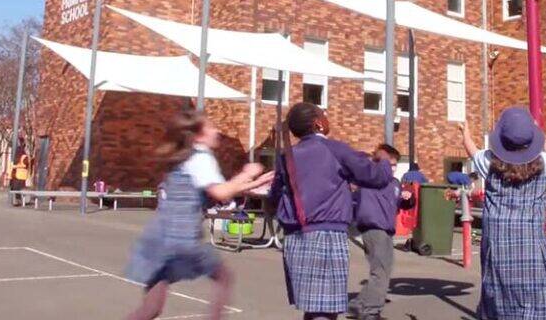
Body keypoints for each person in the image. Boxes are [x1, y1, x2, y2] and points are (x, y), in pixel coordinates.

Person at [124, 109, 274, 320]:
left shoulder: (183, 158)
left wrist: (253, 183)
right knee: (224, 278)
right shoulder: (202, 158)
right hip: (182, 238)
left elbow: (215, 191)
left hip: (159, 238)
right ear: (198, 136)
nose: (216, 131)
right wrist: (247, 173)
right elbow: (221, 192)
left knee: (152, 307)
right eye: (210, 127)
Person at [270, 103, 392, 320]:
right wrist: (384, 161)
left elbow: (274, 195)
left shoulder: (287, 155)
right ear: (318, 123)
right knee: (325, 309)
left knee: (313, 306)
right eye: (324, 115)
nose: (328, 119)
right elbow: (375, 177)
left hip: (295, 236)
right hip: (326, 234)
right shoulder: (334, 149)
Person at [459, 108, 546, 320]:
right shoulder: (545, 163)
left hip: (499, 244)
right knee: (537, 294)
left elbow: (472, 151)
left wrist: (466, 135)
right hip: (532, 243)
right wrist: (538, 132)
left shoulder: (488, 162)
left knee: (499, 295)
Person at [348, 144, 415, 320]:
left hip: (386, 230)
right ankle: (370, 311)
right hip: (374, 227)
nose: (391, 169)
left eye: (394, 165)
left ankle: (358, 304)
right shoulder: (369, 181)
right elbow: (354, 194)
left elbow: (401, 203)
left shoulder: (395, 183)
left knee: (382, 270)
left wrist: (408, 199)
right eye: (389, 164)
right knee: (381, 271)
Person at [10, 137, 29, 207]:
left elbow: (18, 162)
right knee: (18, 188)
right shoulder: (22, 153)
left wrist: (15, 166)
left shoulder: (18, 152)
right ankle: (19, 201)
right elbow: (25, 164)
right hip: (20, 174)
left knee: (16, 188)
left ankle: (17, 201)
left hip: (17, 174)